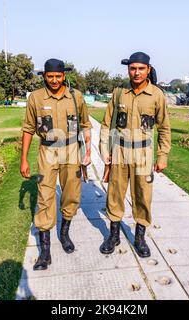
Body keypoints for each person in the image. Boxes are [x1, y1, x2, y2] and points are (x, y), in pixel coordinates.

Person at [20, 59, 92, 270]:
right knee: (45, 195)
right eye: (49, 76)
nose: (53, 80)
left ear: (64, 76)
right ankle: (45, 251)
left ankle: (64, 232)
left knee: (71, 194)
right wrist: (23, 159)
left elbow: (86, 124)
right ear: (44, 76)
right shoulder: (36, 98)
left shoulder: (76, 96)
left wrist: (87, 152)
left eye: (57, 76)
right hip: (48, 150)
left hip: (71, 149)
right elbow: (28, 129)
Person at [99, 52, 171, 258]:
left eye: (141, 68)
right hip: (120, 150)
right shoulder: (119, 93)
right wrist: (105, 150)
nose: (136, 72)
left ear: (148, 69)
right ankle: (114, 235)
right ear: (128, 70)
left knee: (142, 195)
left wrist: (163, 155)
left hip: (143, 152)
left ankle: (140, 237)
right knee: (115, 194)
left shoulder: (157, 95)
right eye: (133, 68)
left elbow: (164, 128)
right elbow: (107, 124)